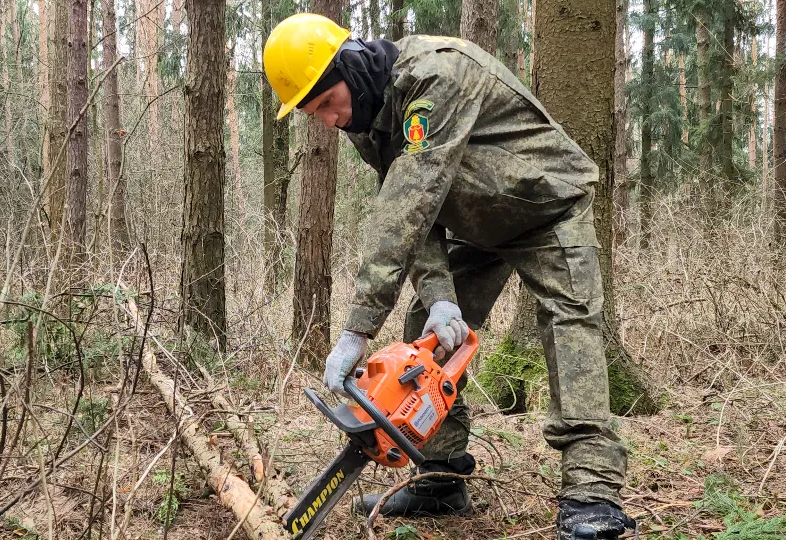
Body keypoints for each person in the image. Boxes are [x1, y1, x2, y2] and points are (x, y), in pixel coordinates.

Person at [262, 13, 637, 540]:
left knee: (570, 332)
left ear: (350, 66)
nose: (327, 120)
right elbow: (419, 218)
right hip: (471, 221)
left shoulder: (434, 77)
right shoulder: (368, 121)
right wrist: (440, 296)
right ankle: (439, 476)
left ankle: (592, 493)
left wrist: (357, 328)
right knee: (428, 336)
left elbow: (409, 199)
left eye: (326, 102)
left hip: (546, 205)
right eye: (313, 112)